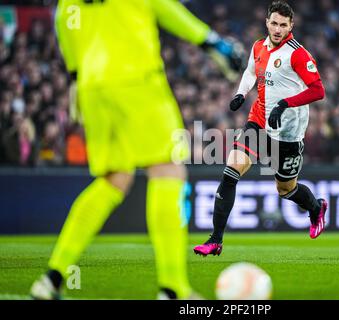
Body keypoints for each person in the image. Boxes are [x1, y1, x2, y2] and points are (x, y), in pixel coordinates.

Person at [30, 0, 244, 300]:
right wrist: (210, 41)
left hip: (92, 86)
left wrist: (77, 76)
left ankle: (51, 278)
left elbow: (64, 21)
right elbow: (164, 7)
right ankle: (173, 288)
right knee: (167, 170)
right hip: (136, 80)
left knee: (113, 179)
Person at [194, 1, 327, 257]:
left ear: (291, 26)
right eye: (274, 23)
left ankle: (316, 208)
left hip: (288, 131)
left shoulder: (297, 54)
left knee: (285, 190)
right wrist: (241, 94)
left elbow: (318, 90)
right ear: (267, 22)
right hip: (259, 120)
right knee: (230, 171)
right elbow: (251, 71)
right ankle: (215, 240)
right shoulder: (258, 46)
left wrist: (285, 104)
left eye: (283, 25)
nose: (277, 29)